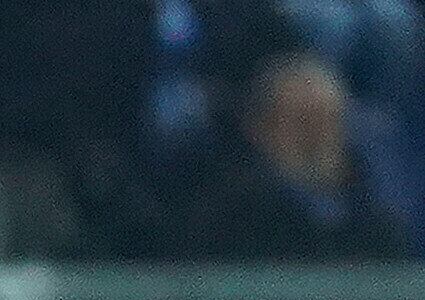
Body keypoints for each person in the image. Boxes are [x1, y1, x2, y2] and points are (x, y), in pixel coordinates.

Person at [170, 49, 416, 258]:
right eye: (301, 121)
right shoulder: (232, 218)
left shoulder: (376, 226)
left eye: (326, 121)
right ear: (260, 127)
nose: (314, 137)